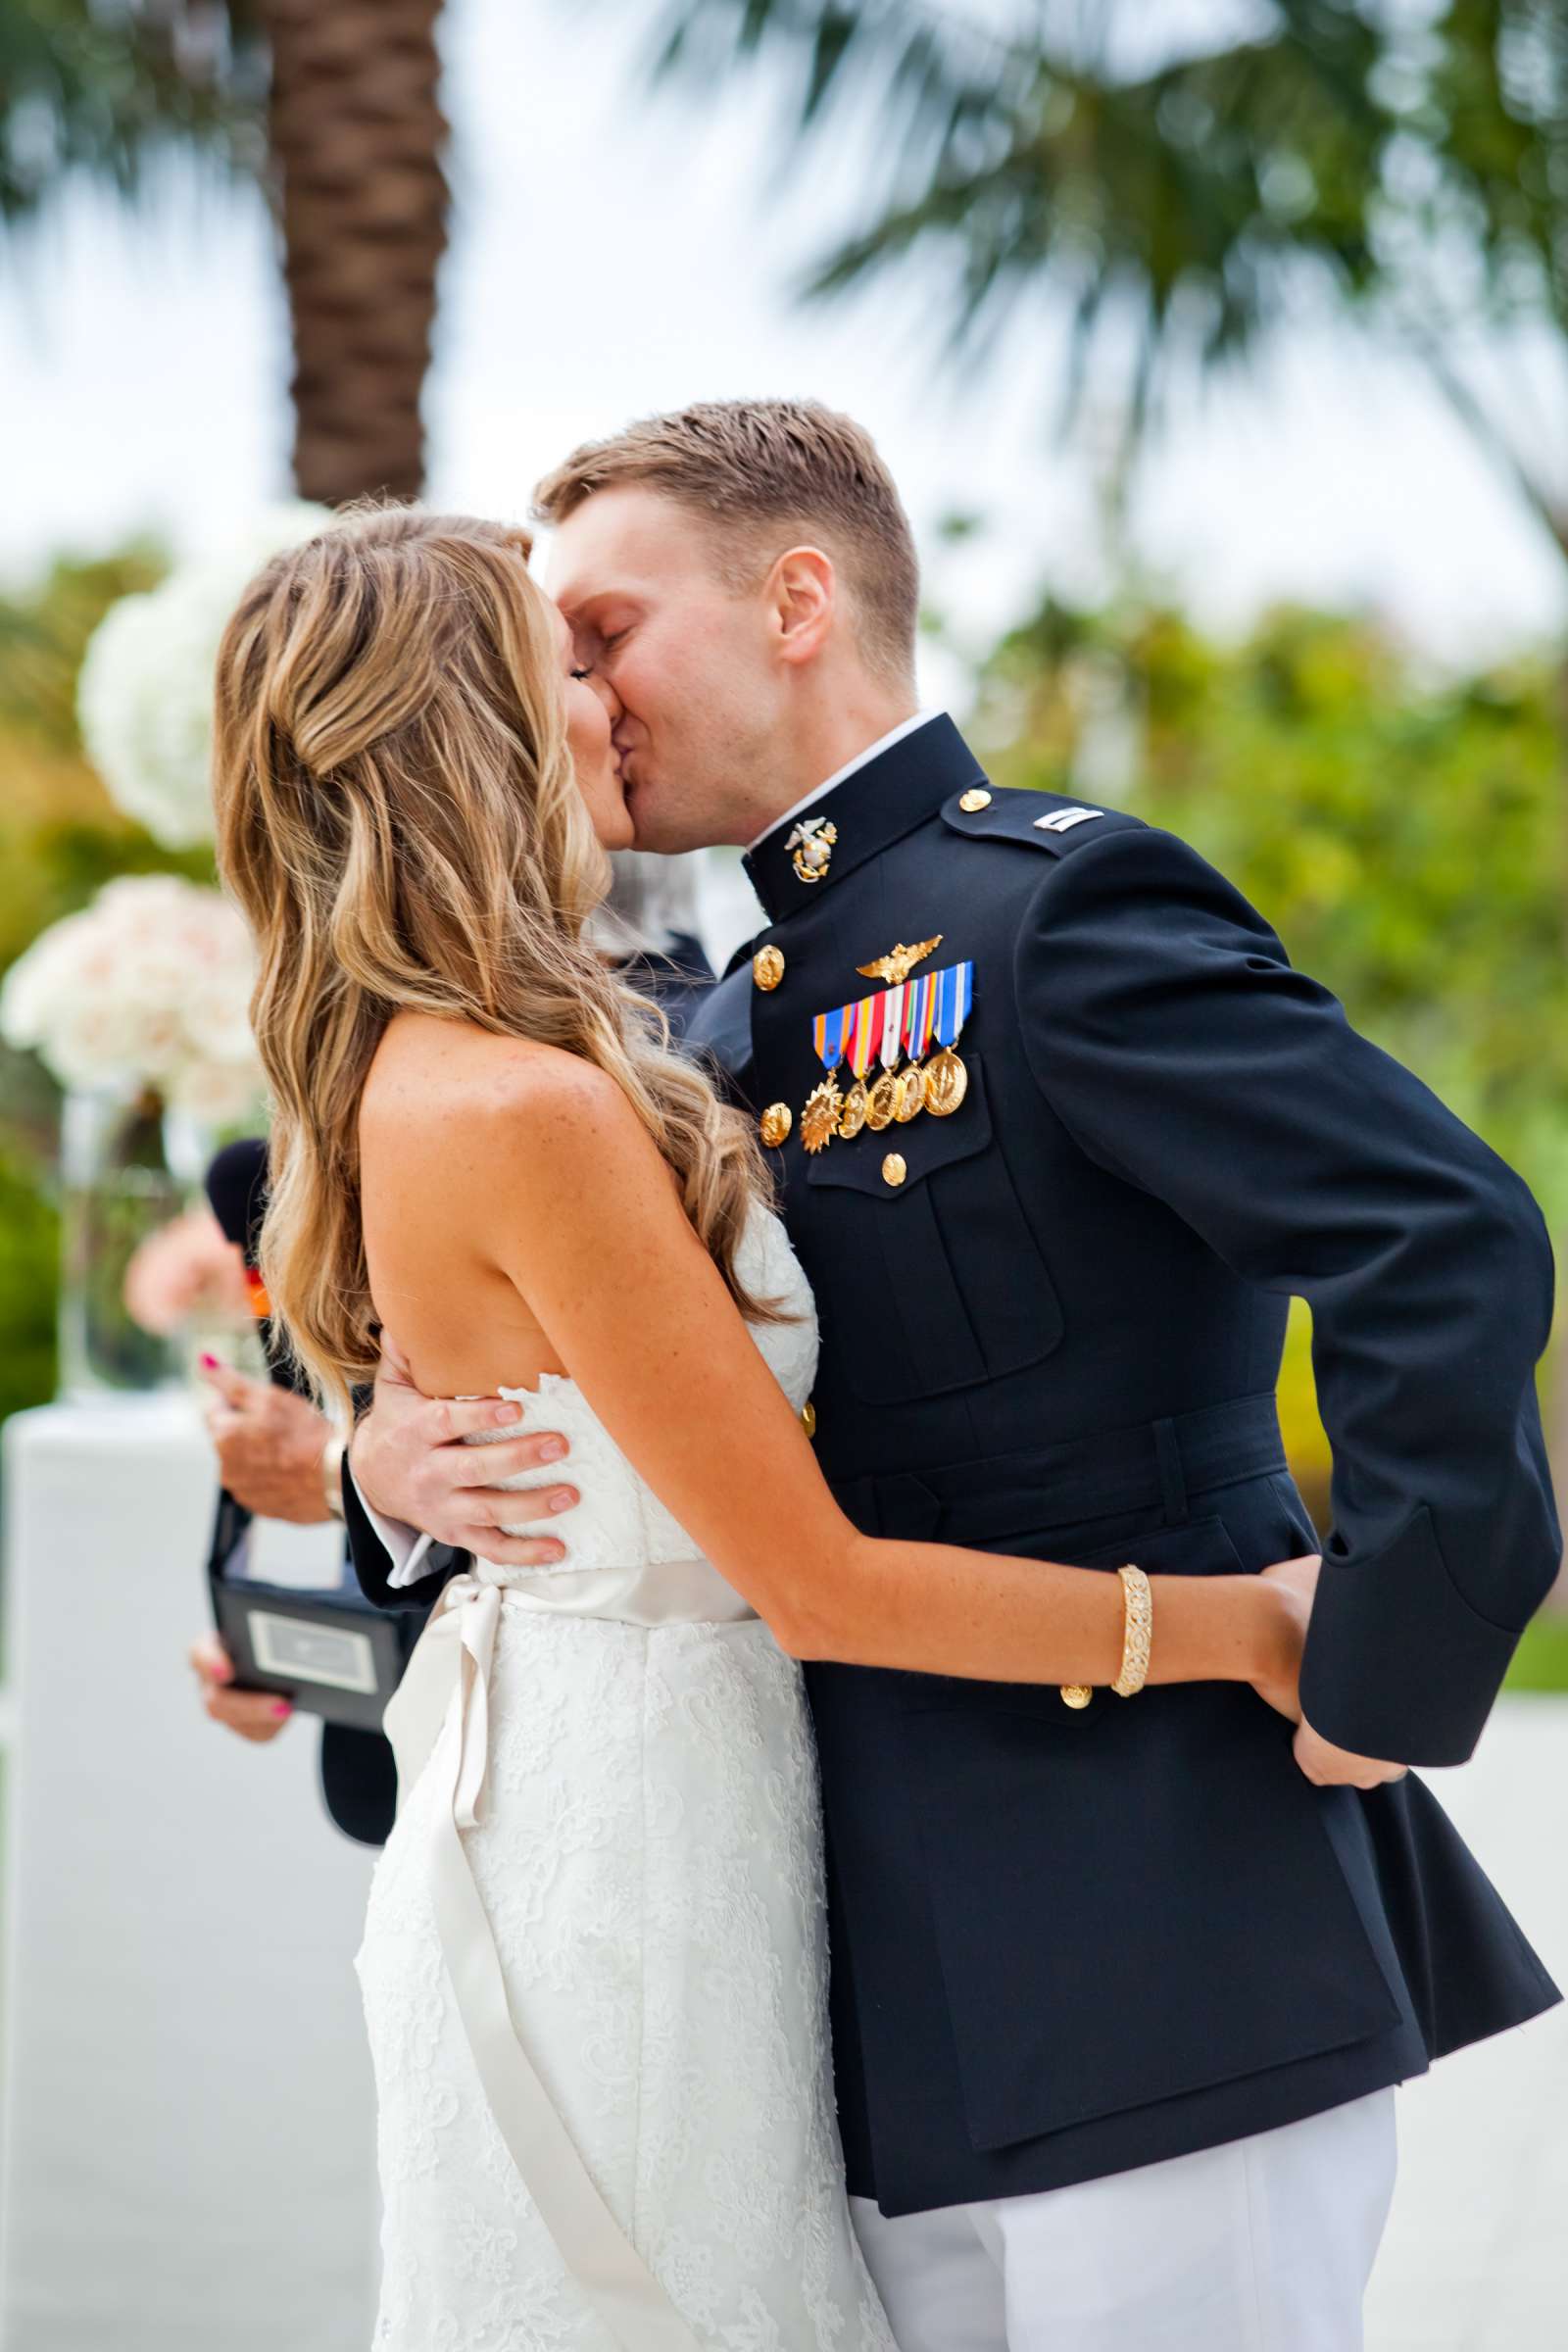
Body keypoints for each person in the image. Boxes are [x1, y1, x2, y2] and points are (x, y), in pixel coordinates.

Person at [342, 402, 1561, 2352]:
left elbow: (1439, 1235)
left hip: (1158, 1920)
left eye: (600, 630)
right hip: (835, 1977)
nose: (569, 685)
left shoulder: (1052, 917)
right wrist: (386, 1464)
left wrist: (1387, 1656)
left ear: (797, 600)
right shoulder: (711, 1016)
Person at [185, 866, 716, 1844]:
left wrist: (332, 1473)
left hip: (653, 1753)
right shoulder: (302, 1133)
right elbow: (364, 1436)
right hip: (420, 1753)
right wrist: (281, 1629)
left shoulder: (711, 1065)